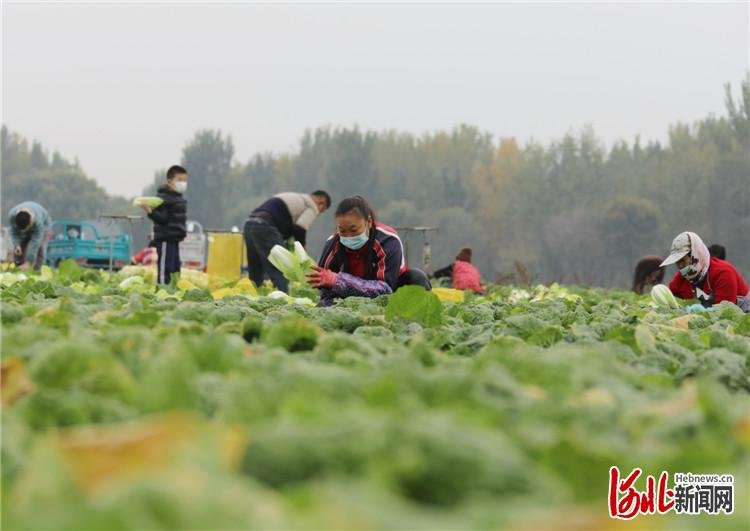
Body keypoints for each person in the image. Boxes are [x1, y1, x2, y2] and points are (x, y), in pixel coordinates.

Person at [308, 195, 432, 307]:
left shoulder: (388, 240)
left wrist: (339, 281)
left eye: (354, 230)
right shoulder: (332, 244)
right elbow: (326, 292)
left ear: (369, 222)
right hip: (349, 299)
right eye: (342, 231)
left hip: (391, 295)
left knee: (416, 278)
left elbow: (384, 290)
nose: (348, 236)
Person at [244, 191, 331, 292]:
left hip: (250, 224)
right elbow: (300, 228)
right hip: (265, 227)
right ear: (321, 203)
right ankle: (283, 299)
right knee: (281, 267)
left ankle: (256, 296)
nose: (318, 213)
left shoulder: (294, 197)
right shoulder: (311, 206)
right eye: (322, 211)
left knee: (255, 269)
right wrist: (303, 250)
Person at [660, 231, 749, 312]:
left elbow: (725, 313)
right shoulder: (682, 278)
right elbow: (668, 298)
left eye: (683, 260)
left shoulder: (723, 273)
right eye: (677, 262)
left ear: (695, 255)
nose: (680, 266)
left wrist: (700, 312)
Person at [137, 165, 188, 284]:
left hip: (175, 238)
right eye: (179, 180)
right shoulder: (163, 198)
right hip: (165, 238)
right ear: (170, 181)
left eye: (185, 181)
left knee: (175, 268)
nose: (183, 183)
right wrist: (149, 210)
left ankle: (174, 291)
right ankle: (162, 290)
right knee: (166, 267)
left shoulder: (178, 197)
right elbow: (162, 219)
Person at [8, 201, 51, 270]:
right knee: (21, 246)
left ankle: (37, 270)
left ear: (30, 222)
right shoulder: (12, 215)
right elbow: (14, 232)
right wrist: (17, 245)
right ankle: (19, 267)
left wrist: (28, 262)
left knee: (40, 248)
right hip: (24, 224)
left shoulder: (38, 221)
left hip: (44, 225)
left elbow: (35, 242)